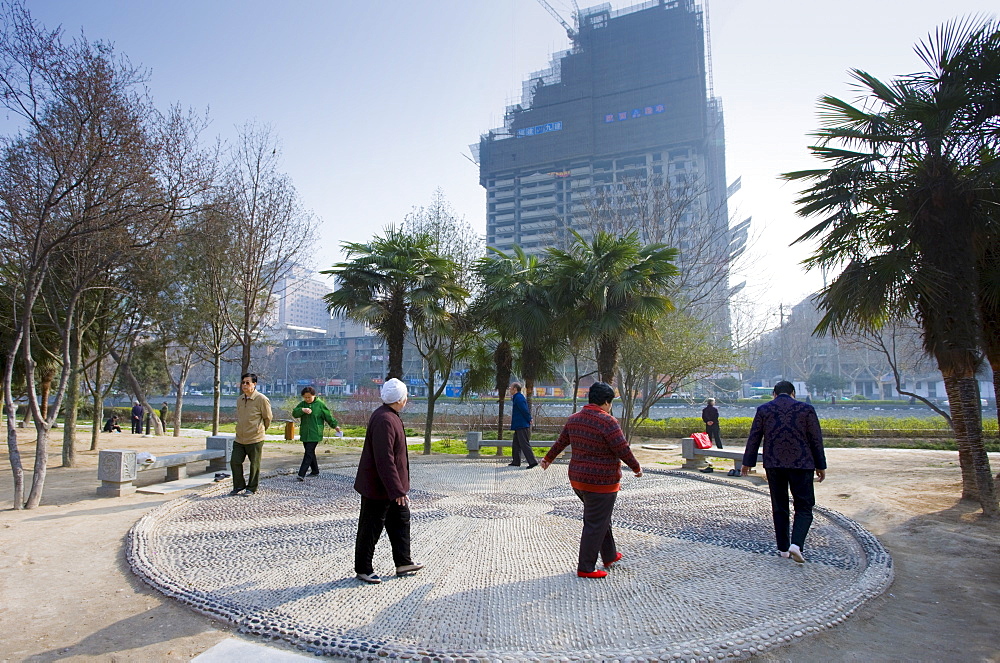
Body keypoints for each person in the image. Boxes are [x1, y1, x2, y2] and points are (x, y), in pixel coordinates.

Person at [540, 382, 642, 578]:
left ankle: (610, 555)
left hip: (578, 480)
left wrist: (548, 459)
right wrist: (636, 468)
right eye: (610, 403)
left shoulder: (574, 419)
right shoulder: (608, 422)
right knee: (595, 522)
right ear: (606, 402)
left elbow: (561, 442)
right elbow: (622, 449)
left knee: (600, 517)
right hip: (601, 482)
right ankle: (586, 567)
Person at [741, 380, 827, 564]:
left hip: (774, 465)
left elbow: (754, 437)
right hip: (802, 464)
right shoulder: (806, 410)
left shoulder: (764, 410)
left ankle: (782, 549)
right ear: (793, 393)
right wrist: (821, 465)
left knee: (779, 506)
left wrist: (747, 462)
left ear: (774, 394)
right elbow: (816, 439)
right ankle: (796, 544)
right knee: (804, 506)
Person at [353, 378, 423, 584]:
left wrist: (398, 488)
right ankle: (363, 568)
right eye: (406, 396)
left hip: (392, 487)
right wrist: (397, 490)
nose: (407, 399)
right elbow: (384, 459)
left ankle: (403, 562)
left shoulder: (390, 416)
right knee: (371, 527)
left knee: (401, 520)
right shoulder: (384, 419)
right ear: (400, 399)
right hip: (379, 487)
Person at [230, 372, 273, 496]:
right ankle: (238, 485)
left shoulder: (262, 399)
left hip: (255, 438)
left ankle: (251, 488)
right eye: (243, 382)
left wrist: (260, 430)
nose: (244, 385)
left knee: (254, 464)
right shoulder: (240, 399)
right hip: (239, 438)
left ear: (254, 384)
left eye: (247, 383)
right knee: (235, 462)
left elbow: (268, 417)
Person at [292, 386, 342, 481]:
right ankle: (315, 471)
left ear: (314, 396)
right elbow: (294, 413)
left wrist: (335, 426)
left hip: (315, 433)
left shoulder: (320, 404)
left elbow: (328, 416)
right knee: (310, 452)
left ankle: (301, 474)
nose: (307, 399)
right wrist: (302, 410)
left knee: (308, 453)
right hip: (305, 433)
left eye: (309, 397)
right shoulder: (302, 404)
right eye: (305, 397)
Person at [507, 382, 538, 468]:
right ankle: (516, 461)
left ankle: (532, 462)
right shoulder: (516, 397)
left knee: (524, 444)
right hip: (519, 425)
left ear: (515, 389)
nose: (509, 389)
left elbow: (524, 410)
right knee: (516, 444)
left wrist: (529, 419)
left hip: (522, 425)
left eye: (511, 387)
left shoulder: (519, 398)